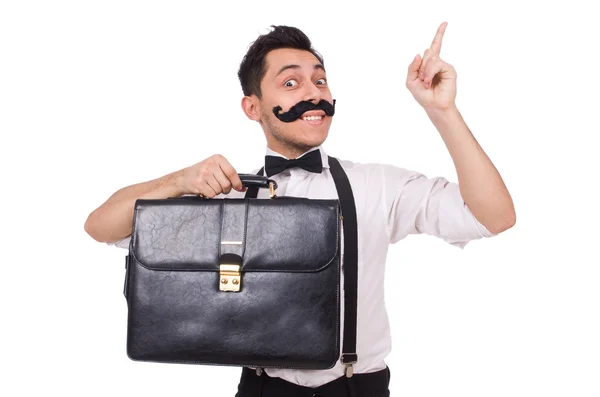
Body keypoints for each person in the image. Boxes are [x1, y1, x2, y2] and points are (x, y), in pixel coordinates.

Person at [84, 23, 516, 397]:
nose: (314, 93)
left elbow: (493, 216)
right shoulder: (222, 194)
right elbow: (100, 226)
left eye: (321, 81)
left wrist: (442, 110)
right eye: (291, 83)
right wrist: (178, 181)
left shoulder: (377, 186)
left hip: (357, 387)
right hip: (261, 388)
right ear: (252, 107)